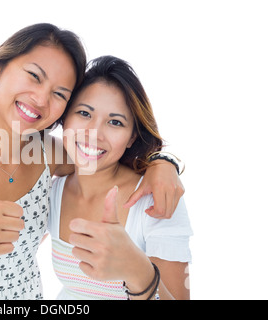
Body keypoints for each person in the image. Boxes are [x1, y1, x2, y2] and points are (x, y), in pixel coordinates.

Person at [0, 23, 183, 300]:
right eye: (34, 76)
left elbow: (103, 150)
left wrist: (163, 163)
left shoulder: (49, 156)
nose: (40, 99)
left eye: (59, 94)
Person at [48, 56, 193, 300]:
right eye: (84, 113)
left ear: (132, 137)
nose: (94, 133)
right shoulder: (54, 189)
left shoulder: (154, 201)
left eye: (115, 122)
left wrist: (139, 271)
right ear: (65, 119)